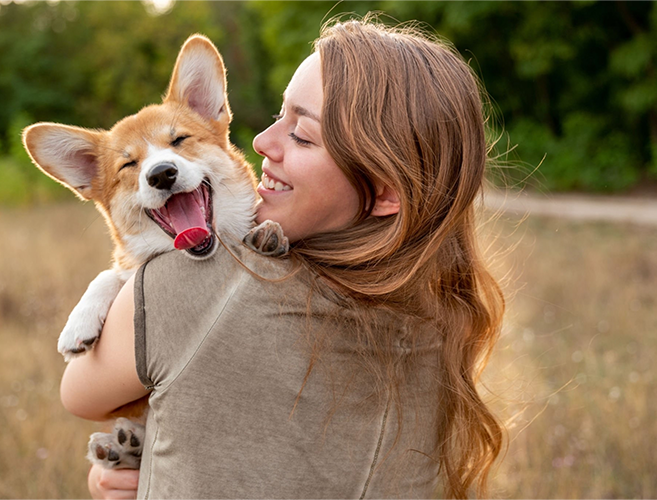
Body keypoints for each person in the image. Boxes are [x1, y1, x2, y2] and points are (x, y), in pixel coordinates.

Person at [61, 16, 504, 500]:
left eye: (303, 135)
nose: (260, 141)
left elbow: (78, 394)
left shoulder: (187, 287)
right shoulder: (442, 317)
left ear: (382, 190)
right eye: (279, 115)